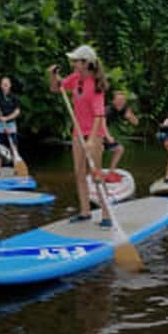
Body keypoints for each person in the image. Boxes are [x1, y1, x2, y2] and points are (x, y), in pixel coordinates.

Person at [48, 45, 112, 227]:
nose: (73, 63)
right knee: (79, 172)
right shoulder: (75, 79)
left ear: (86, 63)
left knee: (96, 174)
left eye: (76, 61)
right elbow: (56, 88)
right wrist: (53, 75)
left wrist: (92, 140)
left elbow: (100, 115)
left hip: (94, 133)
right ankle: (85, 211)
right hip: (77, 131)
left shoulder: (96, 85)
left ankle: (107, 215)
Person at [103, 91, 139, 182]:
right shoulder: (108, 110)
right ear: (113, 101)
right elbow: (101, 124)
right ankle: (95, 172)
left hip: (104, 133)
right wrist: (108, 136)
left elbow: (136, 123)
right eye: (118, 100)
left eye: (123, 101)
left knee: (119, 149)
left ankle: (111, 172)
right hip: (95, 131)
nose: (121, 102)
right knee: (99, 148)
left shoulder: (124, 109)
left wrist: (131, 117)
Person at [0, 77, 21, 170]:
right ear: (1, 86)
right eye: (3, 84)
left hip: (11, 125)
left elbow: (17, 112)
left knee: (14, 147)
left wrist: (7, 118)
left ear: (10, 85)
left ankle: (17, 169)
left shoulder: (14, 97)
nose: (5, 86)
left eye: (6, 84)